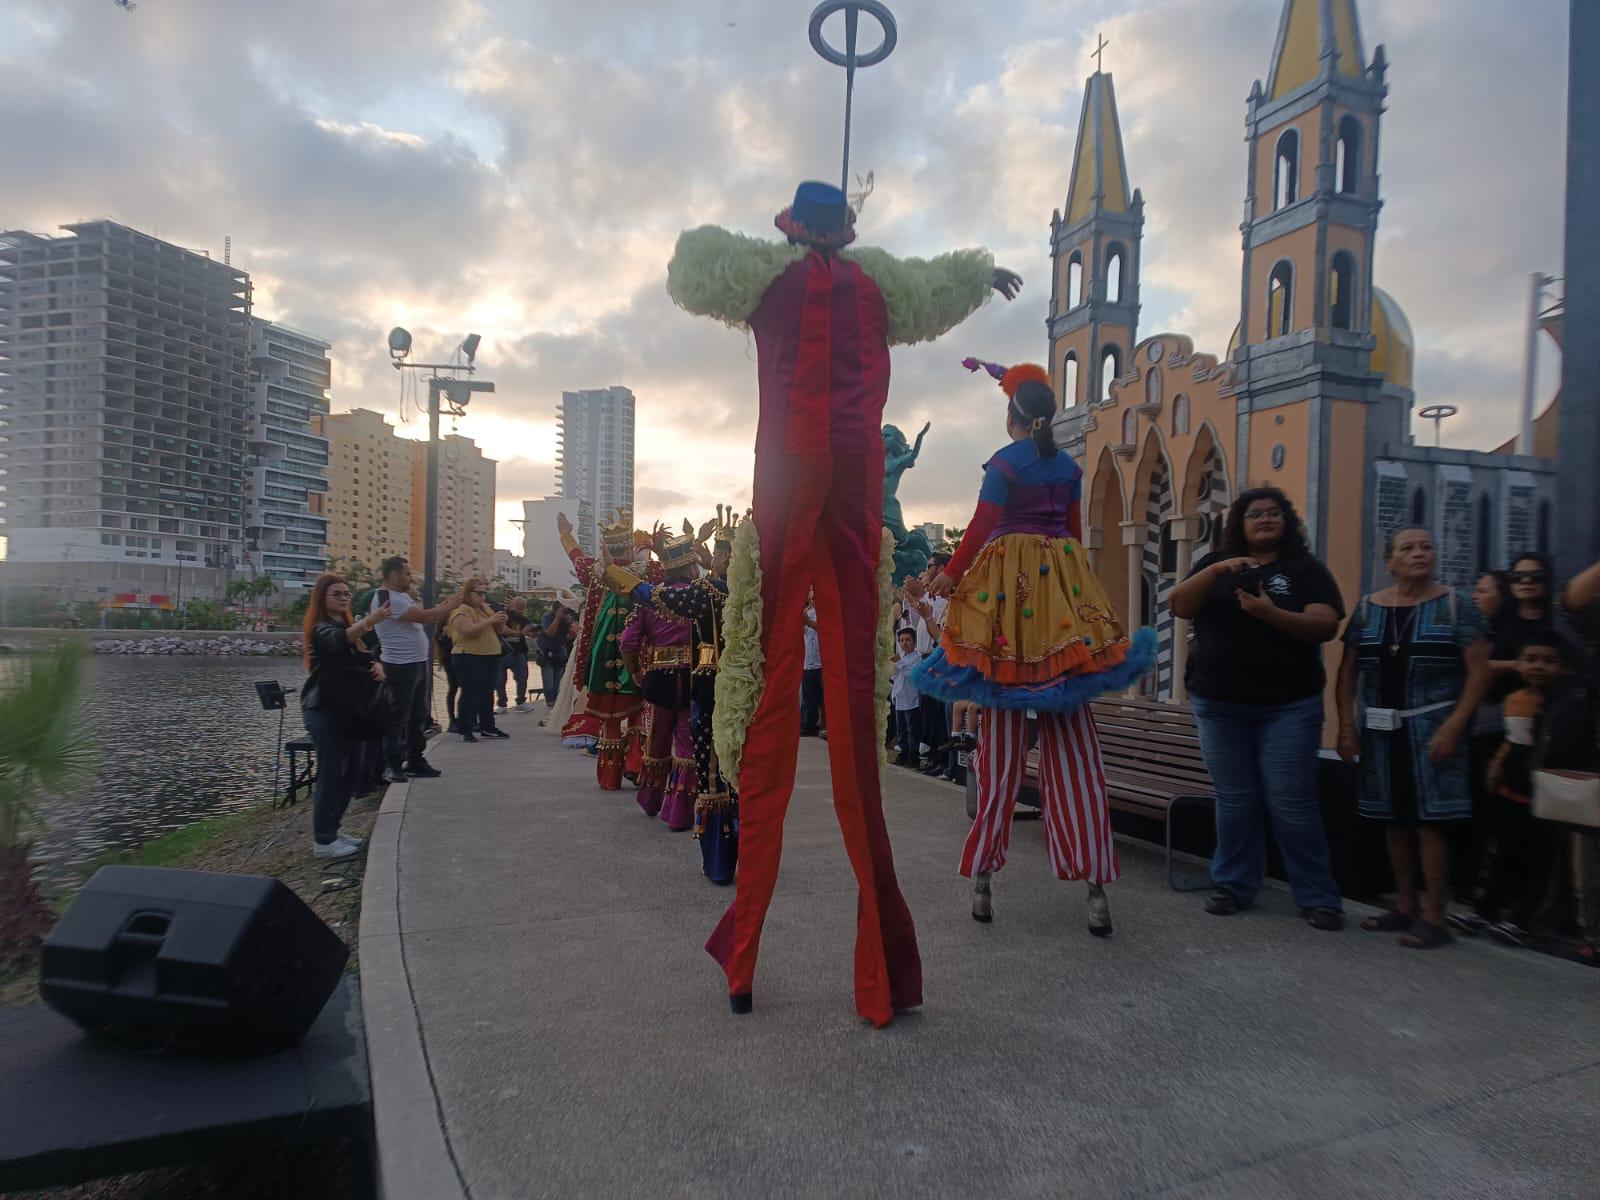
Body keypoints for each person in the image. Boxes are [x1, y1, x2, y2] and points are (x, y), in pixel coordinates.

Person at [916, 363, 1154, 936]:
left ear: (1012, 419)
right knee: (1075, 744)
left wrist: (951, 573)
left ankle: (983, 881)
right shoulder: (1069, 466)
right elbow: (1071, 530)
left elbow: (984, 521)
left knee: (998, 744)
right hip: (1060, 593)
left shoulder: (1003, 463)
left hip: (1006, 598)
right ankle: (1095, 887)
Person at [1168, 486, 1348, 932]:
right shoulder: (1215, 565)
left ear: (1286, 521)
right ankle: (1234, 885)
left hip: (1287, 706)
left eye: (1273, 513)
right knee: (1235, 800)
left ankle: (1318, 896)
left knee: (1292, 804)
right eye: (1255, 514)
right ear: (1239, 523)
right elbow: (1178, 604)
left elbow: (1325, 625)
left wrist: (1269, 614)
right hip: (1220, 703)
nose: (1265, 519)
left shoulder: (1305, 570)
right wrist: (1217, 572)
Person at [1337, 527, 1491, 950]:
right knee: (1392, 819)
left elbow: (1479, 671)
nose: (1419, 553)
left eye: (1426, 547)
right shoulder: (1368, 610)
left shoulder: (1457, 606)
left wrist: (1455, 725)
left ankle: (1435, 917)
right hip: (1382, 731)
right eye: (1408, 548)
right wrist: (1347, 726)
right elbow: (1348, 670)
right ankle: (1404, 904)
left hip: (1433, 729)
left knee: (1428, 823)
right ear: (1390, 561)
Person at [1456, 629, 1570, 945]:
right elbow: (1513, 740)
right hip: (1511, 789)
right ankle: (1486, 910)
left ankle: (1525, 920)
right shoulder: (1515, 700)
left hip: (1548, 794)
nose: (1538, 666)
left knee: (1541, 860)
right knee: (1502, 852)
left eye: (1549, 661)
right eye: (1530, 659)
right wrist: (1497, 765)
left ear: (1564, 668)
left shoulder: (1566, 705)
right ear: (1518, 665)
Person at [557, 509, 659, 789]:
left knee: (610, 721)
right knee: (638, 712)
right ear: (628, 546)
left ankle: (609, 777)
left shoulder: (597, 572)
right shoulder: (646, 571)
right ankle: (636, 766)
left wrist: (566, 535)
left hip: (603, 655)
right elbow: (673, 570)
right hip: (636, 652)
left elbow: (577, 558)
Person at [618, 525, 708, 831]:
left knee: (657, 739)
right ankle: (680, 811)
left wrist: (635, 672)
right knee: (686, 741)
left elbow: (627, 642)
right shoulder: (701, 597)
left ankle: (651, 799)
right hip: (694, 676)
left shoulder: (651, 598)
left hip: (659, 677)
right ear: (690, 566)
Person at [301, 573, 389, 858]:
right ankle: (323, 839)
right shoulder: (321, 628)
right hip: (324, 708)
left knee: (351, 773)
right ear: (322, 598)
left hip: (349, 709)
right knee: (331, 773)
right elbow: (338, 641)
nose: (343, 597)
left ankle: (333, 829)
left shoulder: (345, 625)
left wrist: (375, 665)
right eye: (336, 593)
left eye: (346, 593)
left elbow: (358, 654)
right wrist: (370, 621)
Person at [370, 556, 462, 783]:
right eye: (407, 573)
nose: (410, 578)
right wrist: (450, 605)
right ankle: (392, 764)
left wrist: (444, 605)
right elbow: (425, 617)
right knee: (398, 717)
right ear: (394, 575)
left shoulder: (401, 597)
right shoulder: (388, 598)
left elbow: (425, 614)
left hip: (416, 663)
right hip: (401, 666)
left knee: (417, 715)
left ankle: (415, 759)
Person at [447, 578, 509, 742]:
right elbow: (468, 631)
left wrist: (500, 621)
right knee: (469, 693)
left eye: (484, 593)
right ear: (468, 593)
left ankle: (487, 727)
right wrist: (490, 620)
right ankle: (465, 729)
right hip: (468, 656)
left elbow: (499, 631)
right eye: (478, 593)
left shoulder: (485, 609)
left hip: (490, 656)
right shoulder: (462, 610)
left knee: (487, 694)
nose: (482, 597)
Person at [536, 605, 576, 718]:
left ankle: (556, 702)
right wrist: (557, 618)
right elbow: (549, 633)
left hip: (559, 653)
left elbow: (571, 636)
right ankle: (550, 702)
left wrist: (569, 623)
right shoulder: (548, 617)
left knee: (557, 681)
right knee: (548, 680)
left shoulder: (567, 619)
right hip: (546, 652)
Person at [891, 627, 922, 767]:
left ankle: (913, 757)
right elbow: (897, 678)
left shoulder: (917, 658)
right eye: (902, 640)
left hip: (912, 700)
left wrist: (899, 663)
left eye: (908, 640)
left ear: (914, 642)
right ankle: (903, 754)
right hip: (900, 699)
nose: (904, 643)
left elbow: (912, 675)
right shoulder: (902, 659)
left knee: (912, 731)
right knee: (901, 730)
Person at [496, 594, 533, 713]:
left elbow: (530, 632)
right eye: (518, 608)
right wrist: (520, 633)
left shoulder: (524, 620)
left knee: (522, 678)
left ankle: (521, 701)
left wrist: (534, 632)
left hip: (519, 652)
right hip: (502, 652)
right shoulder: (504, 616)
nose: (520, 611)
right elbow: (502, 630)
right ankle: (502, 704)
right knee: (500, 679)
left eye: (523, 609)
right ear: (513, 606)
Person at [800, 598, 823, 737]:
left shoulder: (825, 611)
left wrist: (808, 622)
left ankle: (827, 724)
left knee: (825, 696)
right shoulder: (807, 612)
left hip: (822, 661)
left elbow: (825, 627)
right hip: (808, 661)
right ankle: (809, 725)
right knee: (809, 696)